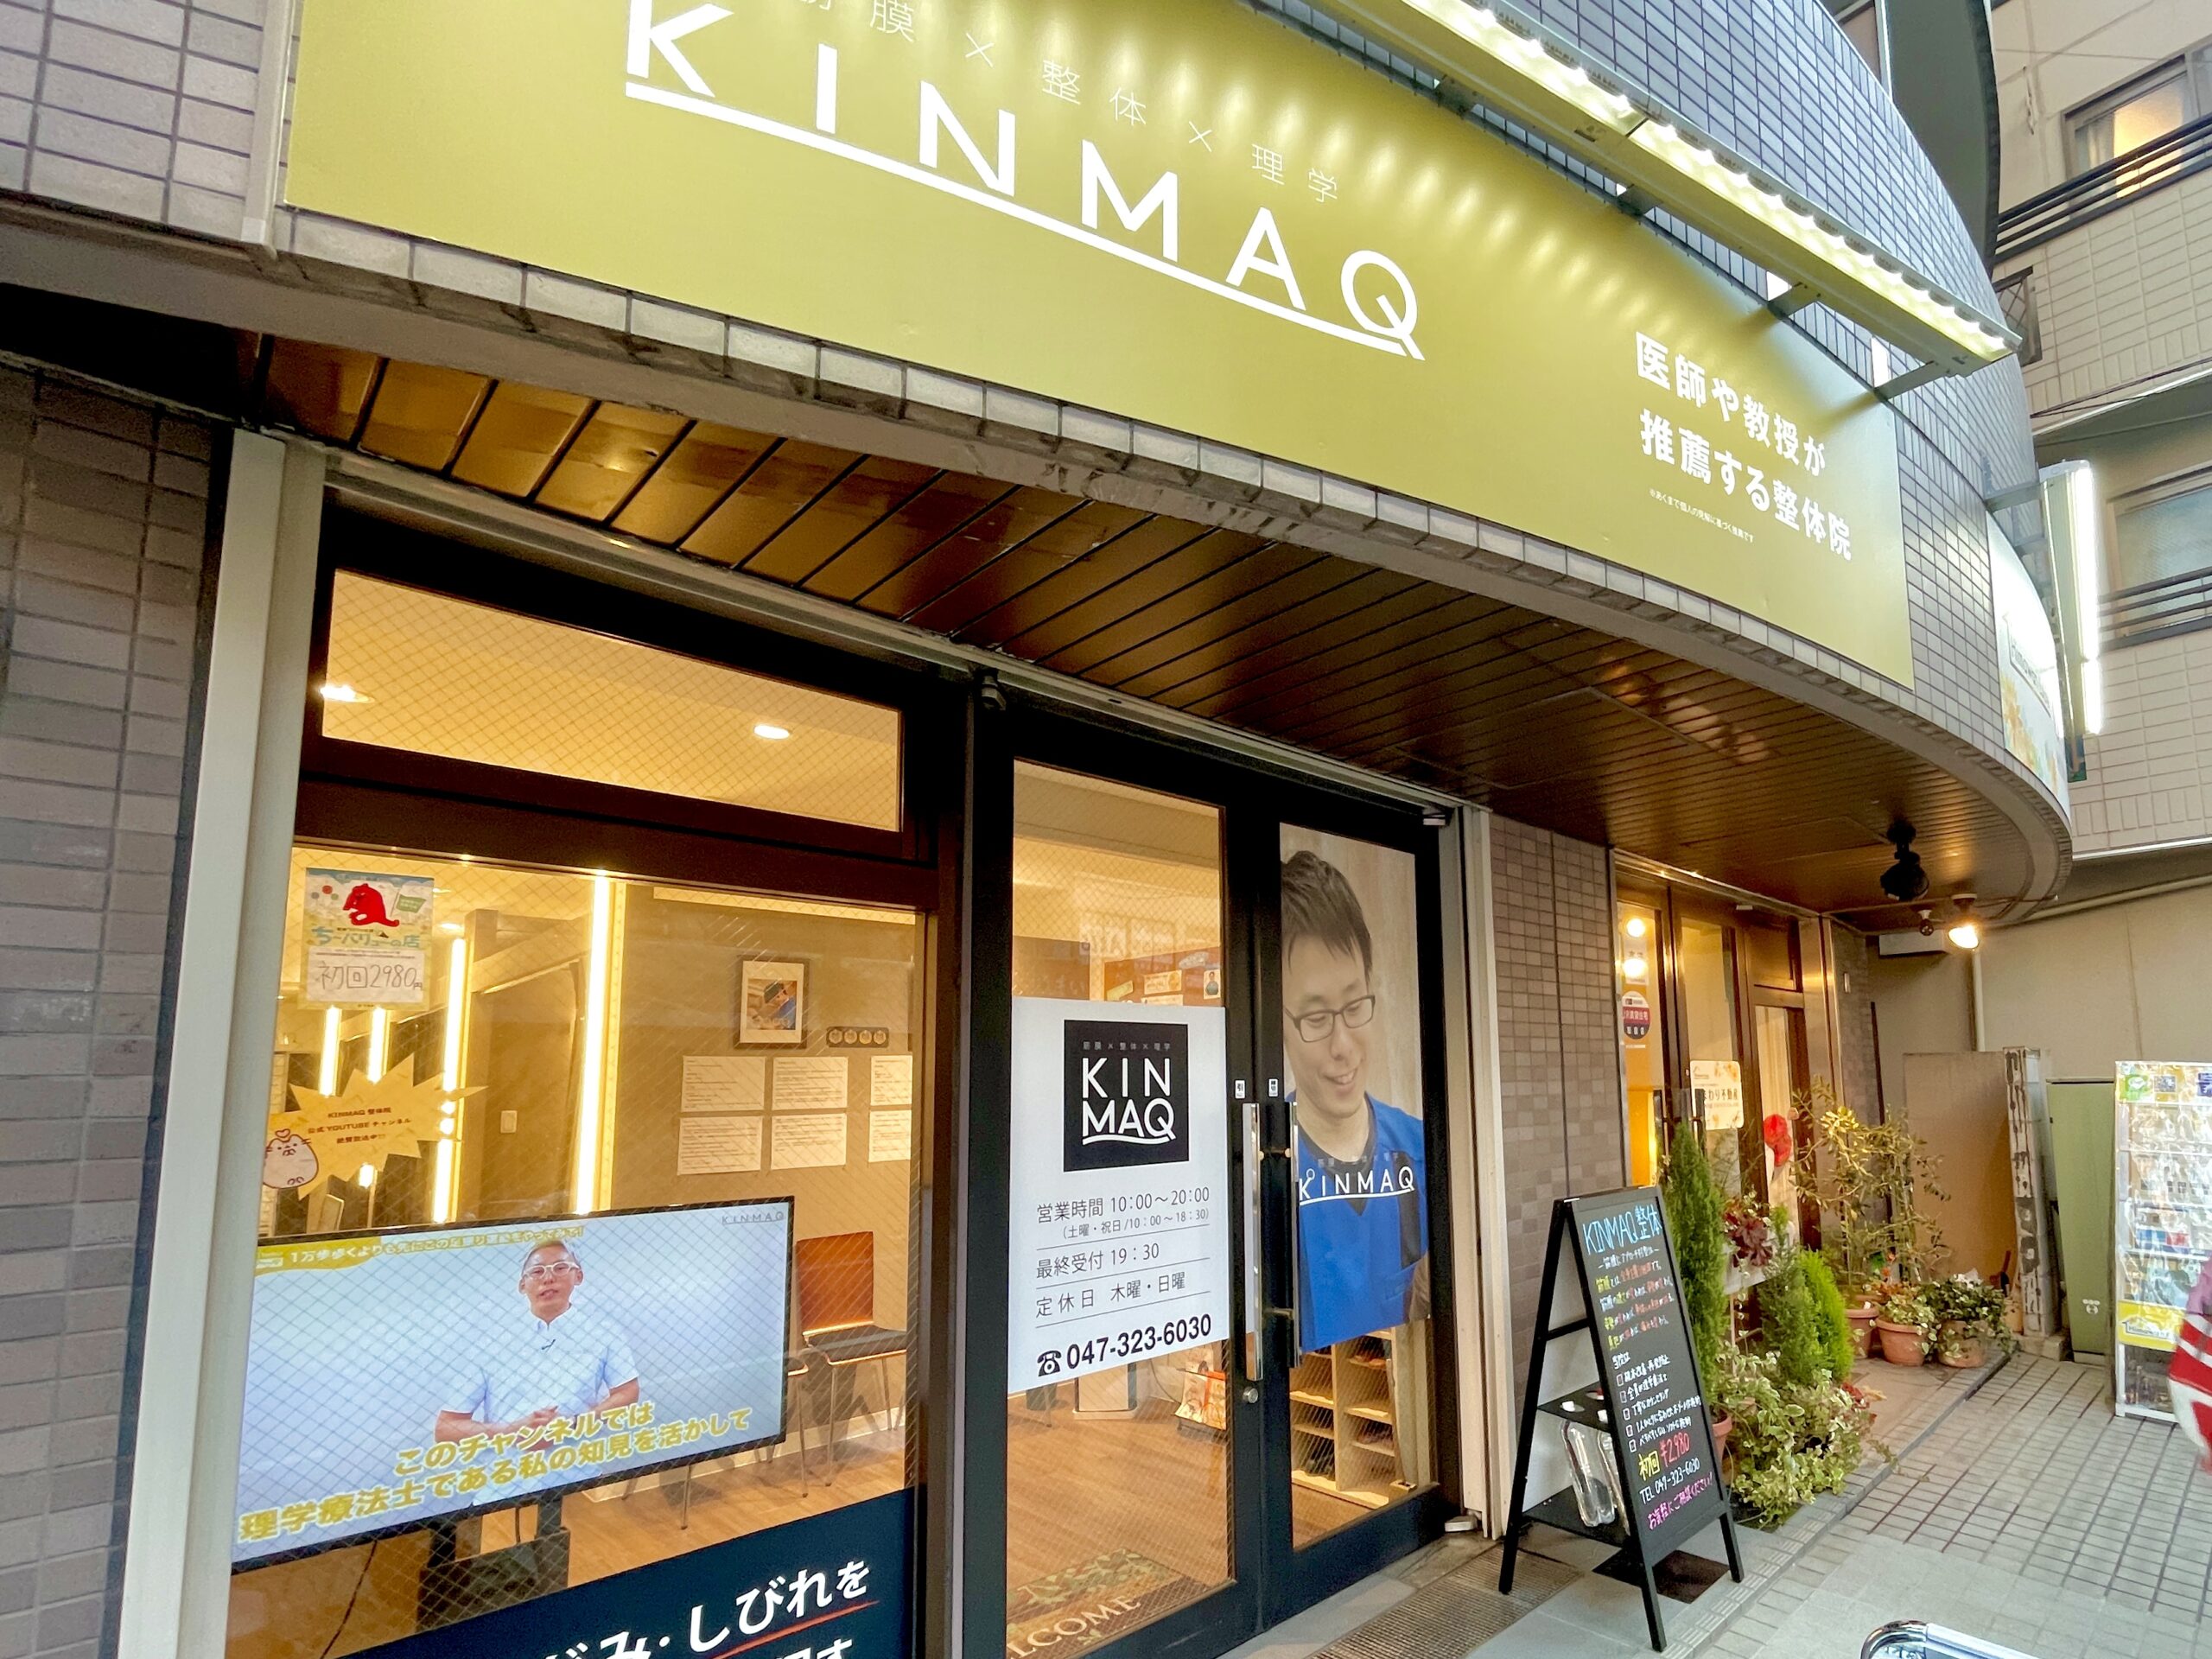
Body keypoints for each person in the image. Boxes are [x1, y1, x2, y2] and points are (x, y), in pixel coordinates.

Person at [1281, 849, 1429, 1352]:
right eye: (1316, 1018)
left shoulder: (1421, 1153)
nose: (1342, 1044)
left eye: (1354, 1006)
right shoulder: (1265, 1168)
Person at [435, 1238, 641, 1442]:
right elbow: (446, 1427)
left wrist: (572, 1424)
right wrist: (511, 1431)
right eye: (537, 1271)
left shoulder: (604, 1333)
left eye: (560, 1268)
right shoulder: (491, 1343)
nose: (548, 1278)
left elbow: (627, 1392)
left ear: (578, 1276)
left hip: (580, 1459)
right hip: (508, 1462)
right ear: (522, 1285)